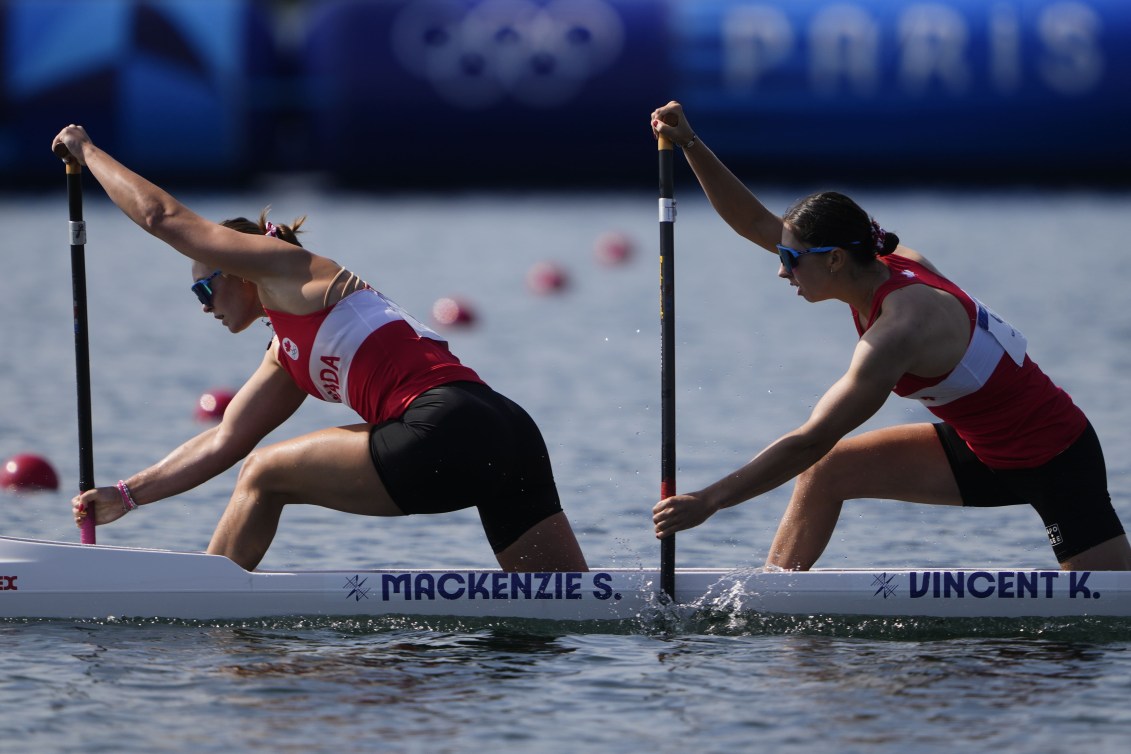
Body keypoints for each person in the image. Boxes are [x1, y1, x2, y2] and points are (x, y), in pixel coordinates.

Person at [54, 124, 588, 573]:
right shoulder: (288, 354)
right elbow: (223, 441)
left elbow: (162, 218)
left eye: (203, 287)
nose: (202, 305)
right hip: (509, 430)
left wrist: (87, 151)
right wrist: (126, 495)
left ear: (238, 269)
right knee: (569, 606)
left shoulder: (289, 272)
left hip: (443, 424)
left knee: (264, 475)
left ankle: (204, 607)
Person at [648, 101, 1131, 571]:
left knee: (1084, 640)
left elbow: (810, 438)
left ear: (834, 259)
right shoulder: (878, 266)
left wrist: (708, 501)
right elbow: (754, 221)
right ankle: (770, 601)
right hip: (981, 448)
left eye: (790, 260)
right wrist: (689, 142)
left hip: (1056, 459)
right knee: (828, 471)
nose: (780, 270)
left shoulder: (898, 329)